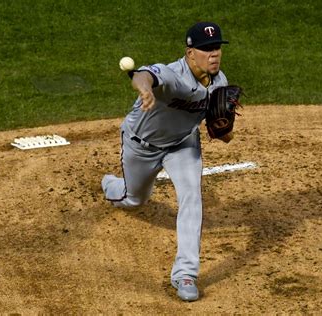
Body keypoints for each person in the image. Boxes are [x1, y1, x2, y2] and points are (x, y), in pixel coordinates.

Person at [101, 21, 232, 302]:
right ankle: (111, 185)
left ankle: (185, 274)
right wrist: (145, 90)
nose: (214, 54)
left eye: (217, 48)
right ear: (189, 52)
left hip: (183, 145)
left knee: (192, 197)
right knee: (134, 199)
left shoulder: (219, 83)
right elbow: (143, 75)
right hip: (141, 146)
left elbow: (223, 133)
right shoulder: (173, 75)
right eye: (206, 49)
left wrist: (223, 131)